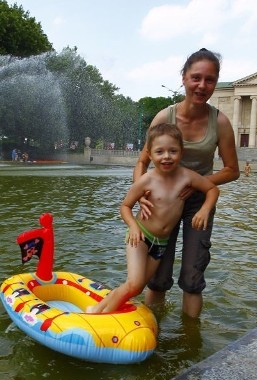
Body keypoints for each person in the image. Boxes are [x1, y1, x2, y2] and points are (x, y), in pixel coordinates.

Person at [134, 48, 240, 318]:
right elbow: (141, 163)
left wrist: (196, 183)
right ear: (183, 78)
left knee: (193, 279)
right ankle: (151, 331)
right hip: (162, 200)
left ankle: (189, 341)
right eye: (196, 78)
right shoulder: (163, 118)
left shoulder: (221, 122)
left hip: (198, 202)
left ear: (216, 82)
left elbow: (232, 170)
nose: (202, 86)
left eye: (210, 80)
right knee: (156, 275)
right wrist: (141, 194)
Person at [87, 123, 219, 314]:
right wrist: (133, 226)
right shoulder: (146, 180)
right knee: (134, 283)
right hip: (140, 237)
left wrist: (204, 209)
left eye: (173, 151)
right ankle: (97, 311)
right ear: (149, 154)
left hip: (161, 244)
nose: (166, 156)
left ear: (181, 152)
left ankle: (107, 308)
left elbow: (212, 189)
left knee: (139, 287)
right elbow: (125, 206)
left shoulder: (186, 177)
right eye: (160, 152)